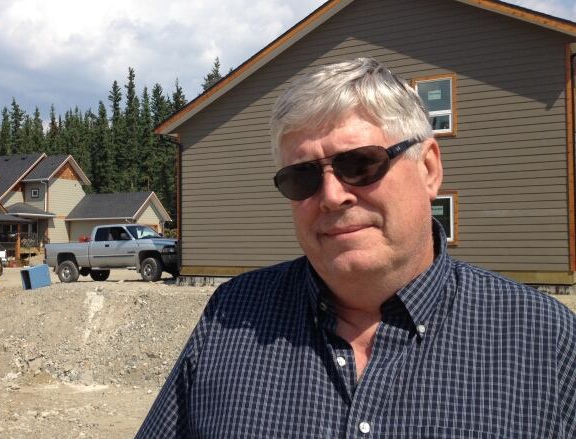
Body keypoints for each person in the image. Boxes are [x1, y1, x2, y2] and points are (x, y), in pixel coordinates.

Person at [136, 58, 575, 438]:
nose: (331, 196)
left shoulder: (544, 340)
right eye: (303, 177)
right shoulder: (231, 318)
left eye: (360, 164)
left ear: (428, 168)